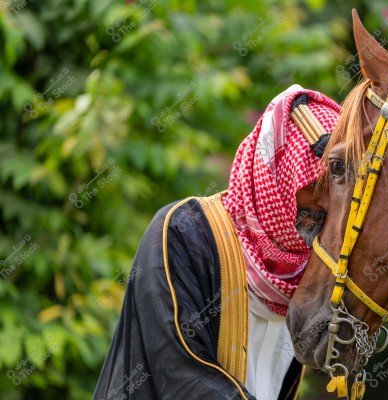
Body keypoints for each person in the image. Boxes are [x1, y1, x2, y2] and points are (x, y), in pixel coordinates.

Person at [92, 85, 341, 400]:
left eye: (337, 188)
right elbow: (181, 375)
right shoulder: (183, 232)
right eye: (316, 185)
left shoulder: (305, 271)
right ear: (277, 175)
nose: (327, 203)